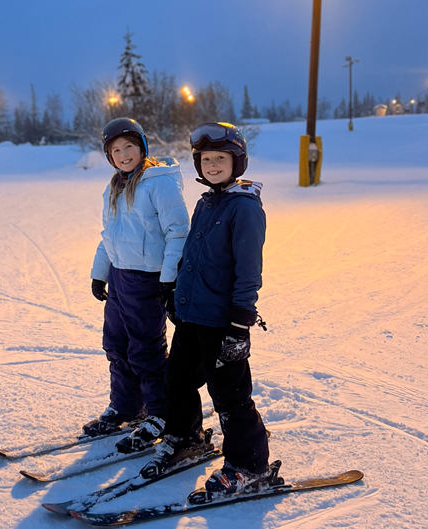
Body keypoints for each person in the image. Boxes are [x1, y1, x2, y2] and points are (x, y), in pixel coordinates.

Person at [140, 122, 283, 496]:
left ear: (238, 163)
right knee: (178, 381)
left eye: (220, 159)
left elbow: (249, 270)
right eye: (206, 160)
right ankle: (187, 438)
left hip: (223, 321)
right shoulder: (206, 202)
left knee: (230, 396)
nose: (212, 165)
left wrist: (240, 324)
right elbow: (193, 255)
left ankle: (249, 465)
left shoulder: (244, 208)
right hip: (192, 316)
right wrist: (175, 292)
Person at [83, 117, 190, 454]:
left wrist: (168, 278)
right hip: (119, 277)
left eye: (129, 146)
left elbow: (178, 232)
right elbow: (108, 235)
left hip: (148, 279)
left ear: (142, 147)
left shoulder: (159, 183)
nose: (124, 153)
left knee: (146, 349)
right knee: (116, 344)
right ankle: (127, 406)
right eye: (116, 150)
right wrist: (100, 273)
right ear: (110, 156)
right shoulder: (113, 187)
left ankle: (159, 412)